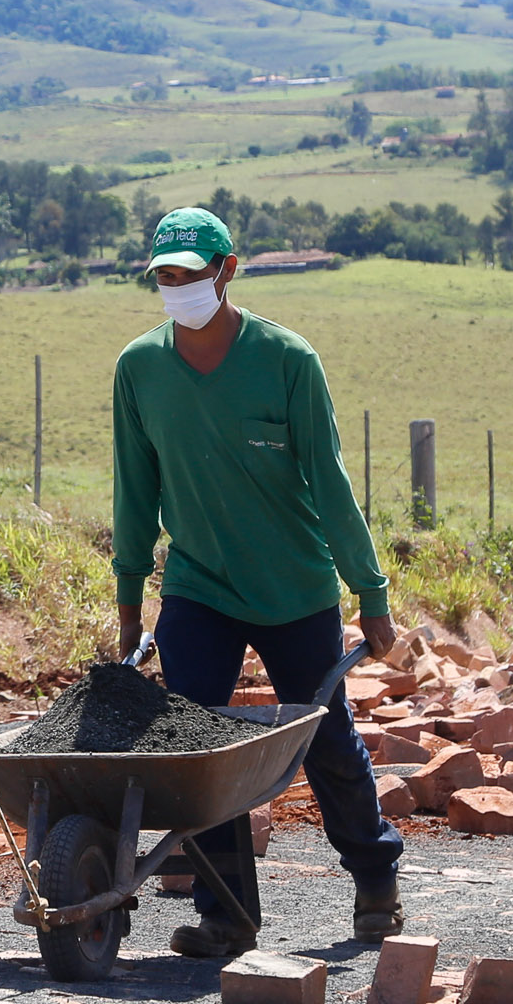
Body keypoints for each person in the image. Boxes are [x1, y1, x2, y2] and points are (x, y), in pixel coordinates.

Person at [109, 206, 406, 955]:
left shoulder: (286, 360)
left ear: (228, 270)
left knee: (327, 738)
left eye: (189, 274)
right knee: (201, 750)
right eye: (164, 277)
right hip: (198, 587)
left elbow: (330, 486)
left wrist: (369, 593)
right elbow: (134, 491)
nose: (176, 288)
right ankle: (226, 914)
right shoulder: (140, 369)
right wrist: (128, 595)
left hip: (293, 587)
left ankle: (375, 879)